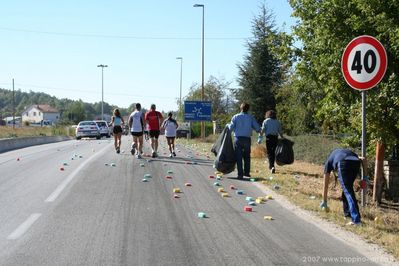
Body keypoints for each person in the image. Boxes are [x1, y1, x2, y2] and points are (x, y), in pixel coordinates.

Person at [321, 149, 364, 225]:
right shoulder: (338, 153)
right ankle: (348, 214)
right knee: (347, 189)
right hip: (356, 162)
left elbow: (325, 184)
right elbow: (363, 159)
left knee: (348, 191)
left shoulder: (328, 162)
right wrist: (365, 177)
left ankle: (356, 220)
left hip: (344, 162)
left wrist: (324, 201)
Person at [228, 102, 260, 179]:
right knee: (247, 156)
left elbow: (230, 128)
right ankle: (247, 172)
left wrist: (227, 127)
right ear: (248, 109)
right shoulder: (251, 117)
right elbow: (257, 128)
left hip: (238, 139)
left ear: (241, 108)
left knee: (238, 157)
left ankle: (240, 174)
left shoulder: (235, 117)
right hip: (247, 139)